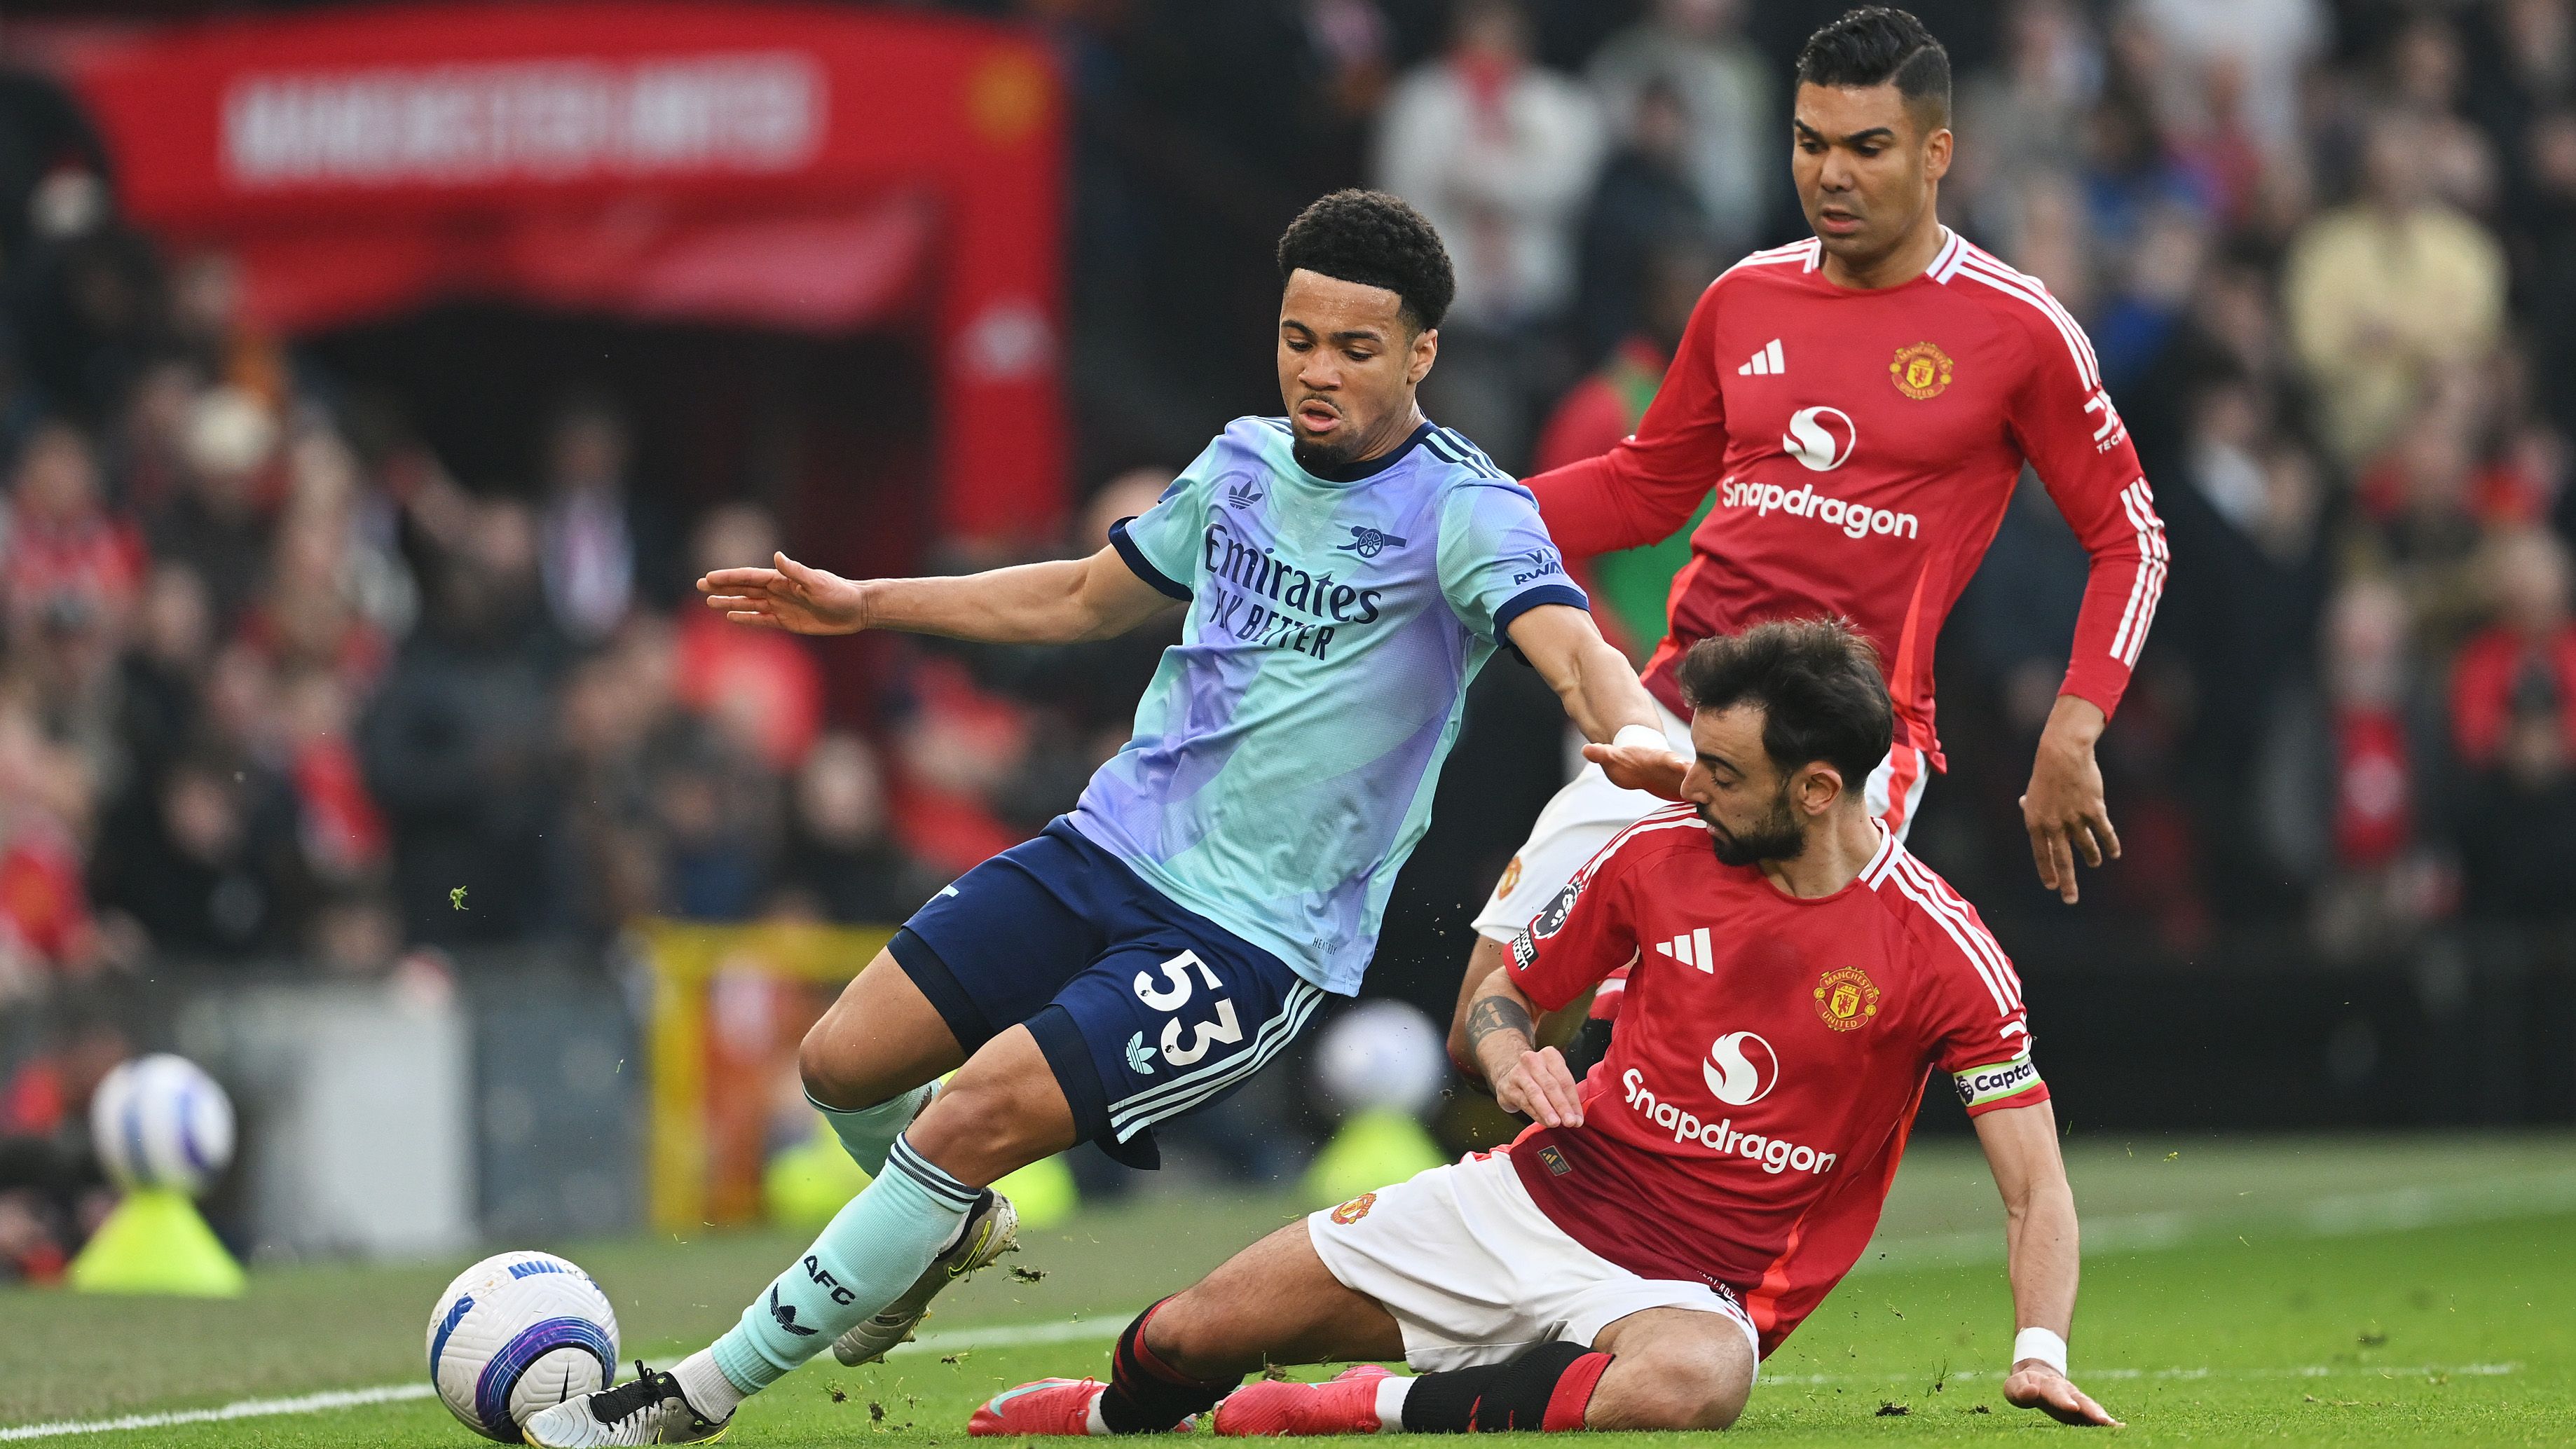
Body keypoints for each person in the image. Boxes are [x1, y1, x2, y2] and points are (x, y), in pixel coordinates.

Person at [523, 189, 1686, 1448]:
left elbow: (1574, 649)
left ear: (1422, 355)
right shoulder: (1239, 463)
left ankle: (695, 1394)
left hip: (1250, 935)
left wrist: (1637, 732)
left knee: (970, 1116)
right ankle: (944, 1232)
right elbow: (1083, 597)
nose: (1319, 372)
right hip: (1104, 848)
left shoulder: (1468, 509)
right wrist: (867, 604)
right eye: (1299, 340)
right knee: (841, 1067)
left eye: (1357, 349)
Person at [969, 619, 2118, 1436]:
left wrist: (2039, 1353)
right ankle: (1109, 1417)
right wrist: (1512, 1055)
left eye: (1721, 771)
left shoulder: (1940, 950)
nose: (1688, 785)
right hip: (1534, 1195)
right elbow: (1501, 998)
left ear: (1817, 790)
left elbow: (2036, 1188)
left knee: (1696, 1384)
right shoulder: (1655, 856)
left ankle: (1356, 1408)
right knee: (1191, 1334)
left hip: (1691, 1287)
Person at [1457, 6, 2172, 1073]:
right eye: (1810, 142)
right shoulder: (1743, 298)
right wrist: (1458, 515)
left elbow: (2131, 539)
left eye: (1866, 147)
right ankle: (1561, 1174)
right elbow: (1644, 489)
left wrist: (2075, 728)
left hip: (1841, 752)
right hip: (1673, 713)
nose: (1831, 174)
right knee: (1490, 1019)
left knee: (1736, 1061)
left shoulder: (2017, 329)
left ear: (1936, 153)